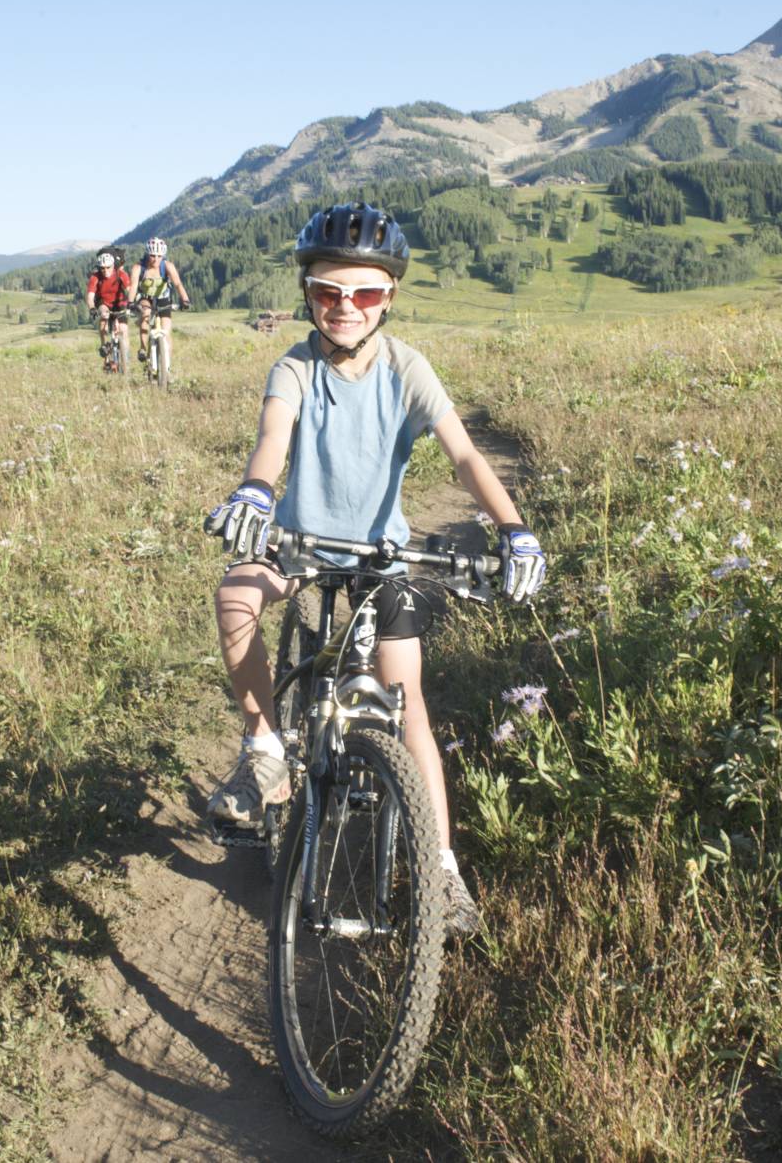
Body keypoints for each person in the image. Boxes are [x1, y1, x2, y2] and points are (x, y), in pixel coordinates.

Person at [205, 202, 548, 939]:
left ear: (387, 297)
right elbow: (274, 435)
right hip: (298, 543)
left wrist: (514, 530)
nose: (345, 307)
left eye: (364, 293)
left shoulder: (406, 368)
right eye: (329, 292)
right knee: (236, 595)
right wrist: (257, 491)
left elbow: (464, 455)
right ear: (308, 294)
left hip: (383, 557)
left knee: (408, 707)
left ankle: (442, 870)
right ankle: (265, 748)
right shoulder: (294, 365)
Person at [131, 237, 191, 370]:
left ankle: (167, 368)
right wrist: (130, 302)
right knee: (145, 315)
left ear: (163, 255)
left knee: (166, 332)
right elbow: (134, 285)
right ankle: (143, 348)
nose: (156, 259)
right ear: (147, 254)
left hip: (163, 298)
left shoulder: (167, 266)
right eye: (152, 255)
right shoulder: (139, 267)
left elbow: (178, 284)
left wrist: (185, 300)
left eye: (159, 256)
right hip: (145, 297)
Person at [83, 247, 135, 372]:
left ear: (113, 266)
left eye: (108, 267)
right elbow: (90, 296)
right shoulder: (95, 278)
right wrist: (92, 308)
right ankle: (105, 348)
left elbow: (129, 289)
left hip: (120, 303)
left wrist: (132, 302)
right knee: (104, 317)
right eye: (102, 268)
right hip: (103, 302)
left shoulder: (121, 274)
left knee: (124, 329)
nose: (105, 271)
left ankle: (125, 358)